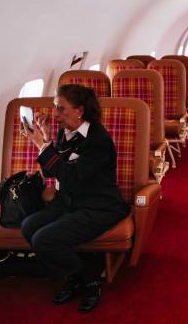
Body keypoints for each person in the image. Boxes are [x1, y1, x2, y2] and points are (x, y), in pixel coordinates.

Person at [20, 84, 130, 312]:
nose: (56, 114)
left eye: (61, 109)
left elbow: (73, 177)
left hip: (99, 206)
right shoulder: (64, 133)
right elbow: (52, 172)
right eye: (55, 108)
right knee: (29, 226)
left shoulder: (98, 140)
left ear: (80, 110)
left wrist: (41, 146)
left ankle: (89, 281)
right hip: (70, 201)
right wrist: (48, 139)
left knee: (43, 240)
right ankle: (73, 275)